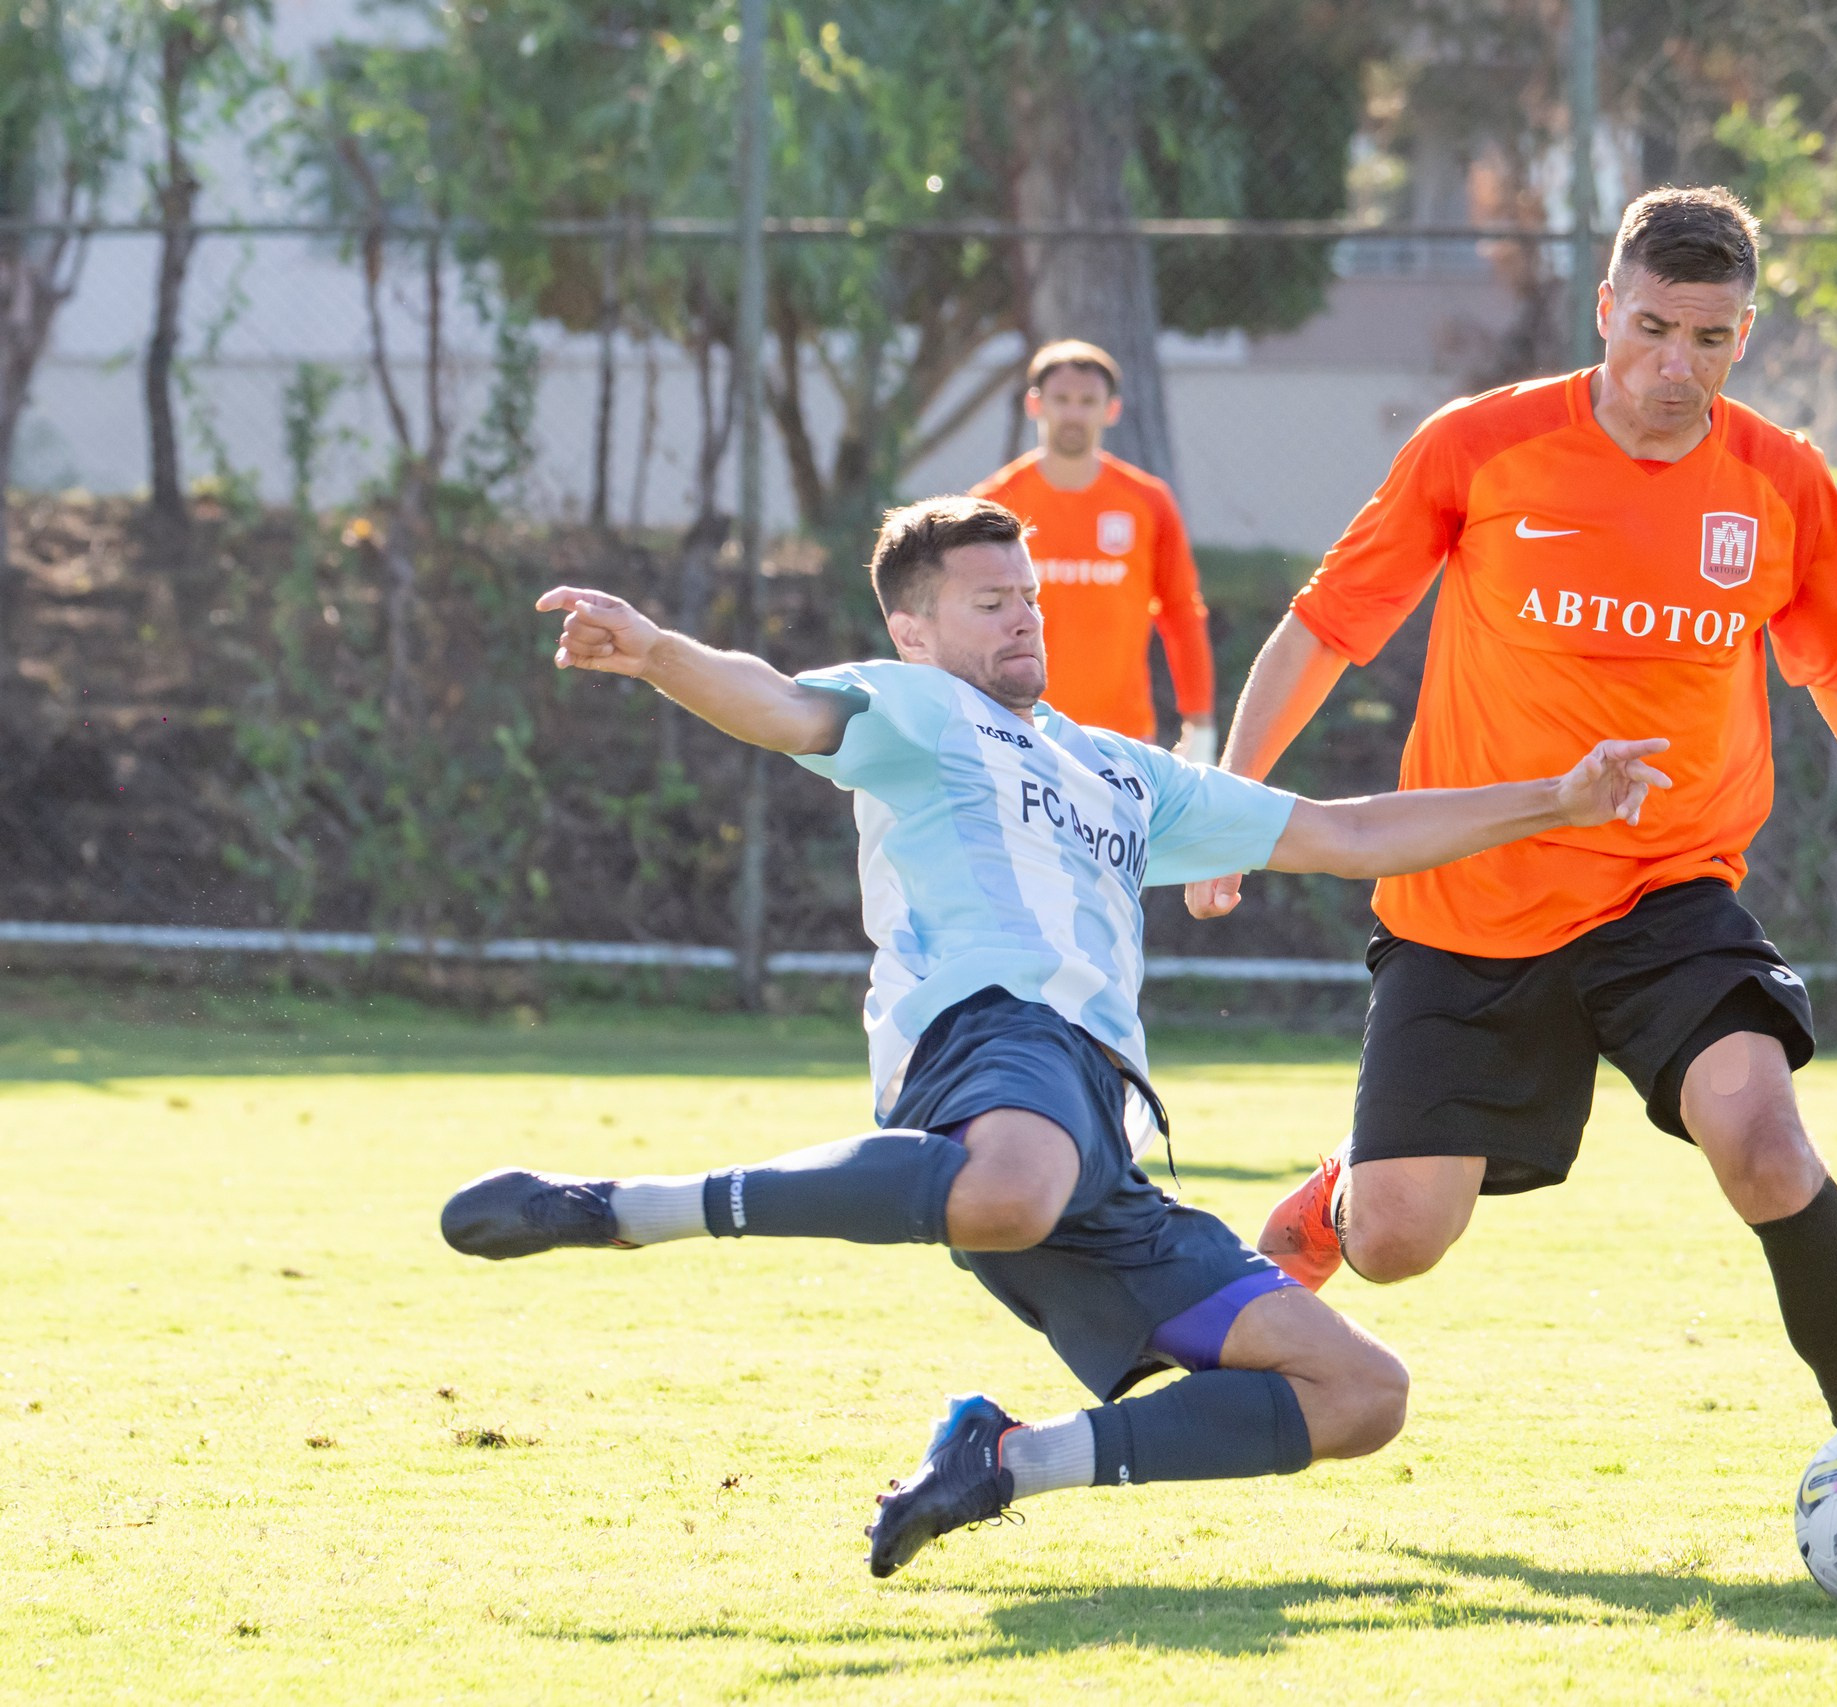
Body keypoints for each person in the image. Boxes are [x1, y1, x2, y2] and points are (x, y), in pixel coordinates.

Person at [438, 495, 1672, 1578]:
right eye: (989, 603)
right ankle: (617, 1206)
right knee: (1012, 1185)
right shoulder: (911, 705)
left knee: (1359, 1394)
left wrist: (1557, 798)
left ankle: (1004, 1465)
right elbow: (776, 706)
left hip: (1104, 1123)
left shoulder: (1121, 773)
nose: (1025, 618)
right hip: (988, 1042)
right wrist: (657, 653)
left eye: (1028, 595)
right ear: (914, 632)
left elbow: (1345, 833)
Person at [1189, 187, 1837, 1433]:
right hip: (1470, 901)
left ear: (1743, 335)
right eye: (1649, 329)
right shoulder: (1479, 447)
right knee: (1402, 1243)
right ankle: (1339, 1200)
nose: (1671, 367)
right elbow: (1326, 629)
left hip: (1665, 892)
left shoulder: (1780, 485)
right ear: (1603, 311)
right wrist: (1234, 808)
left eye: (1709, 338)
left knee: (1764, 1143)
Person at [973, 340, 1218, 760]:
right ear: (1035, 404)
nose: (1073, 413)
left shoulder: (1148, 502)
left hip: (1121, 738)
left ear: (1111, 410)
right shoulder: (993, 503)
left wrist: (1200, 720)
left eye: (1088, 401)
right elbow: (966, 617)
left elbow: (1181, 612)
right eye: (1061, 399)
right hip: (1012, 730)